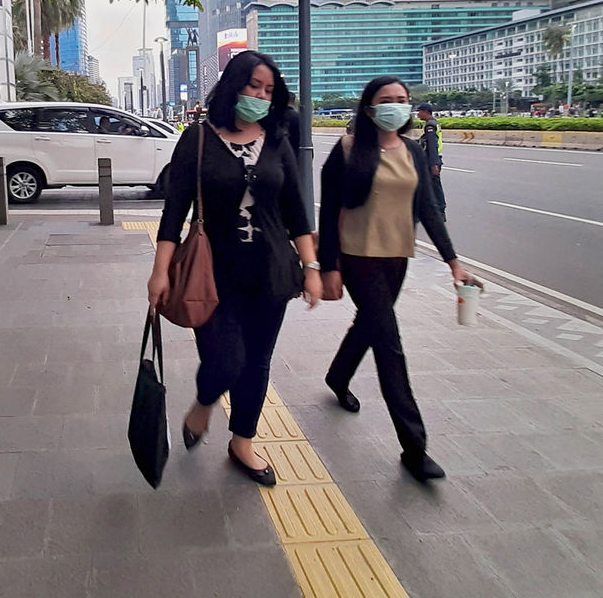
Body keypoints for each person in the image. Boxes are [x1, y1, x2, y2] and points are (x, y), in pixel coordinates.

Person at [148, 51, 322, 486]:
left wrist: (312, 267)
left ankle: (242, 440)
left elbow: (297, 211)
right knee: (226, 360)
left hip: (272, 273)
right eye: (254, 87)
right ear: (234, 86)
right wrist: (160, 271)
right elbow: (174, 213)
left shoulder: (277, 138)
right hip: (212, 274)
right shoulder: (199, 138)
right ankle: (204, 403)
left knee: (257, 361)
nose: (261, 97)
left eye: (268, 90)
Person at [318, 77, 471, 482]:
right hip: (357, 258)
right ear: (369, 109)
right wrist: (327, 266)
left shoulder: (415, 152)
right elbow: (328, 210)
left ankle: (337, 376)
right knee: (390, 345)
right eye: (386, 101)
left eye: (402, 100)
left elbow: (429, 209)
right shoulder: (350, 150)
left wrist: (452, 261)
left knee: (369, 325)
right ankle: (415, 447)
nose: (395, 106)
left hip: (397, 258)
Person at [417, 103, 446, 221]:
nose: (418, 114)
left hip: (431, 161)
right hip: (433, 160)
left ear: (426, 112)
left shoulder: (430, 126)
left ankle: (440, 211)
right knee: (428, 185)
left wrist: (434, 164)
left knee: (434, 186)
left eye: (419, 111)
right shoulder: (434, 123)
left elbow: (432, 146)